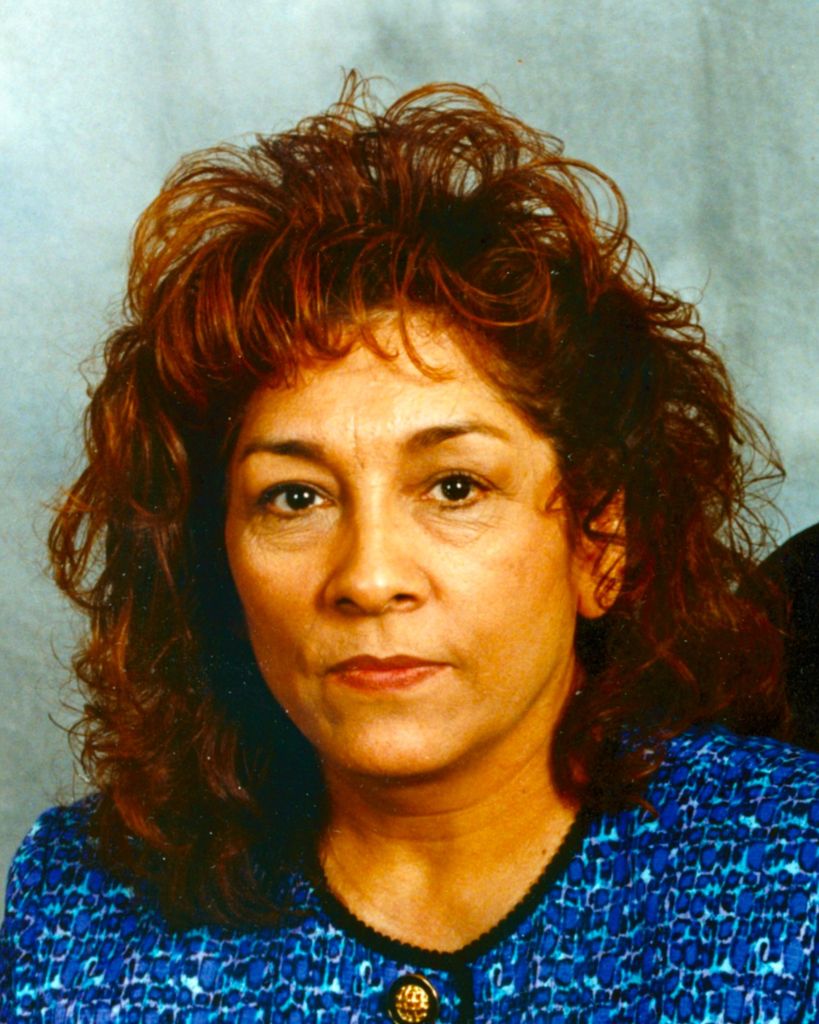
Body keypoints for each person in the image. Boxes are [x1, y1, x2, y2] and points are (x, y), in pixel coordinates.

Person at [1, 74, 816, 1023]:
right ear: (216, 561)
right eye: (295, 497)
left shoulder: (786, 872)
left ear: (599, 541)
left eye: (454, 487)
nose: (370, 577)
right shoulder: (81, 907)